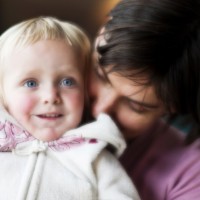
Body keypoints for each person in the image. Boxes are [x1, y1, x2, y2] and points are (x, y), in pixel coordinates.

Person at [0, 16, 141, 200]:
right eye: (30, 83)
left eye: (67, 81)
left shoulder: (94, 157)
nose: (51, 96)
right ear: (3, 95)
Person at [89, 0, 200, 199]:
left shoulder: (191, 178)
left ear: (173, 107)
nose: (100, 110)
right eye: (98, 74)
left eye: (135, 105)